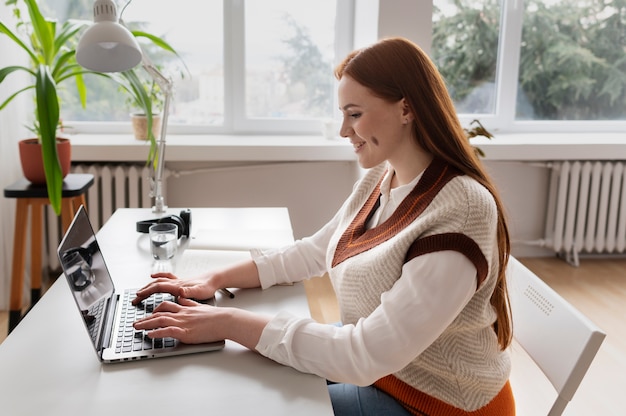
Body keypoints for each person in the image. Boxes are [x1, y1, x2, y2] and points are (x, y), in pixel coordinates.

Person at [132, 37, 515, 415]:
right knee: (240, 369)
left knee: (257, 400)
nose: (343, 131)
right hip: (384, 370)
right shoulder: (383, 177)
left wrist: (228, 321)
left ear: (406, 109)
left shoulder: (460, 212)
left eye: (354, 113)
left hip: (435, 403)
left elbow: (362, 356)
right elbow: (317, 250)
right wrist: (214, 279)